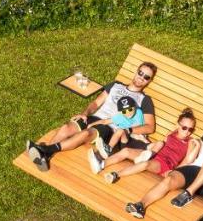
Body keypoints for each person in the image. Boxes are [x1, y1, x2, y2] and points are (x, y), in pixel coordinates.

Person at [25, 61, 157, 171]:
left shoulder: (144, 99)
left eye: (146, 77)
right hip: (96, 117)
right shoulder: (115, 85)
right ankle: (44, 157)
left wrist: (129, 130)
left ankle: (44, 149)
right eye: (140, 73)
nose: (141, 77)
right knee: (66, 128)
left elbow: (149, 127)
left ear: (149, 81)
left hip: (110, 127)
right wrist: (85, 113)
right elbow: (96, 102)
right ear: (136, 71)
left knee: (85, 134)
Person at [124, 108, 203, 219]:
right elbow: (192, 155)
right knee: (169, 180)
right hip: (193, 171)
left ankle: (188, 193)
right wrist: (177, 169)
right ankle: (141, 205)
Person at [100, 107, 200, 184]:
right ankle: (101, 164)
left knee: (145, 164)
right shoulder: (171, 133)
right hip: (153, 154)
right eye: (184, 127)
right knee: (126, 151)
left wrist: (174, 172)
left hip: (164, 164)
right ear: (177, 125)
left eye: (191, 129)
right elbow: (161, 144)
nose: (187, 132)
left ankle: (116, 174)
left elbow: (188, 160)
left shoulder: (190, 142)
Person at [89, 96, 146, 172]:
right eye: (124, 111)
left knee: (120, 130)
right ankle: (105, 151)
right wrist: (92, 124)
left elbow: (141, 127)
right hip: (125, 142)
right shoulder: (120, 117)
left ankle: (103, 154)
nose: (128, 113)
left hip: (137, 140)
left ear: (134, 107)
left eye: (130, 109)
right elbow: (105, 121)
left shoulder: (138, 112)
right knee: (120, 131)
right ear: (120, 112)